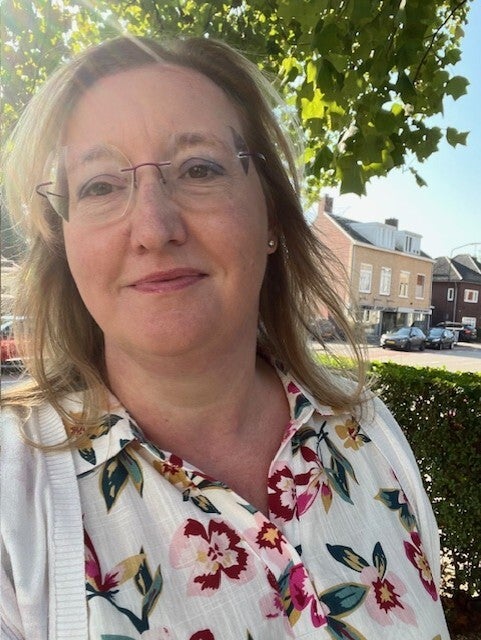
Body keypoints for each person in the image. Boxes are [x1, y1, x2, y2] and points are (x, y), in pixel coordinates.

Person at [1, 35, 450, 640]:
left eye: (199, 169)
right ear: (64, 242)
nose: (154, 228)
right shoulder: (14, 501)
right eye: (100, 185)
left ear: (272, 217)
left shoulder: (372, 433)